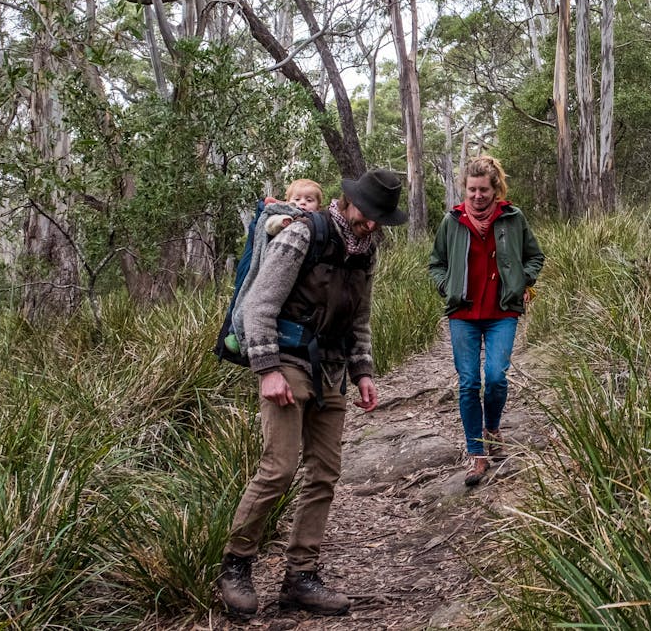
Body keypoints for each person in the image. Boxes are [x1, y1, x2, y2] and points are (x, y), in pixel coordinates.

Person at [216, 169, 408, 617]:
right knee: (279, 468)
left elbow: (360, 316)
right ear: (348, 201)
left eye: (382, 218)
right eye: (370, 214)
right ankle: (236, 565)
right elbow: (260, 304)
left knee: (325, 470)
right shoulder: (301, 235)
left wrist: (363, 371)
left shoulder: (366, 249)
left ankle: (301, 576)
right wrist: (266, 369)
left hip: (332, 369)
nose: (374, 224)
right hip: (285, 357)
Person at [429, 155, 545, 486]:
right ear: (464, 190)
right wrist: (446, 286)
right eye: (471, 190)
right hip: (463, 314)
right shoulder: (453, 221)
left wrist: (524, 280)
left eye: (484, 190)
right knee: (468, 383)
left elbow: (534, 256)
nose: (477, 196)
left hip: (502, 312)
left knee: (495, 377)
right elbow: (436, 263)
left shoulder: (512, 218)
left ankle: (492, 428)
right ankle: (477, 453)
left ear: (495, 190)